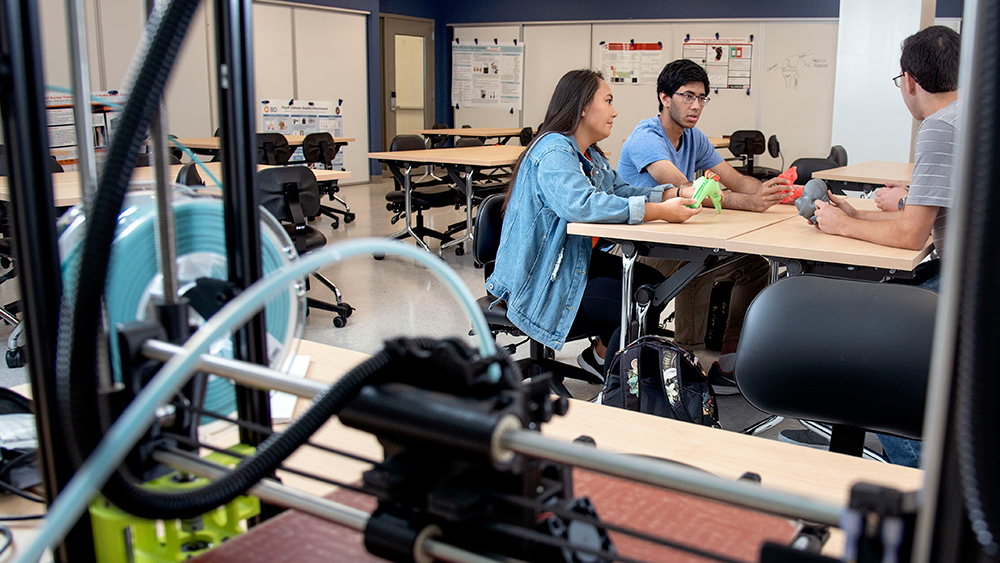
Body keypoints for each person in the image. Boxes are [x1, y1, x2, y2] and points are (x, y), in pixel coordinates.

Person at [486, 69, 699, 380]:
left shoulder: (590, 155)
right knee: (635, 303)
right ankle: (620, 392)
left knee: (652, 286)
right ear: (583, 106)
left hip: (571, 260)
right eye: (608, 101)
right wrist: (659, 211)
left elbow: (620, 191)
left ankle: (607, 365)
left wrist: (674, 192)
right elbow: (583, 205)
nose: (614, 112)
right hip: (541, 277)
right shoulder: (553, 150)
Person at [813, 25, 961, 467]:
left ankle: (915, 472)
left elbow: (910, 236)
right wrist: (858, 216)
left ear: (910, 80)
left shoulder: (939, 127)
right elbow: (921, 216)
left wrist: (840, 228)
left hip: (964, 285)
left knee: (872, 356)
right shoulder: (972, 114)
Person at [617, 58, 792, 394]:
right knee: (698, 264)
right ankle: (686, 361)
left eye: (701, 98)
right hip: (637, 247)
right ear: (664, 98)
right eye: (687, 96)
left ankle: (730, 361)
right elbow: (691, 192)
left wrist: (777, 194)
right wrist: (750, 203)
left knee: (752, 265)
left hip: (677, 236)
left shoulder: (693, 137)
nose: (696, 105)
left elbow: (736, 180)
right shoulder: (647, 138)